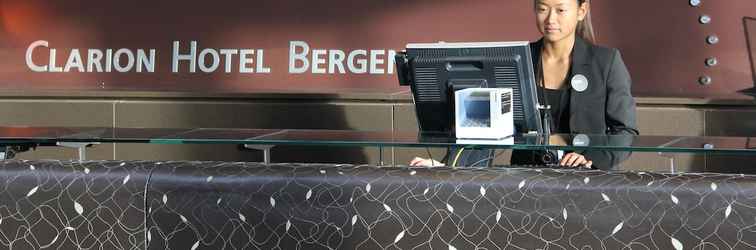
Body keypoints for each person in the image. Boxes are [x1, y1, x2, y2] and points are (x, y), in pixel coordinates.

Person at [410, 0, 638, 170]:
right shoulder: (517, 58)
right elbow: (482, 123)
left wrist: (591, 159)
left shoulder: (606, 62)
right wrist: (447, 167)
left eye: (560, 10)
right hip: (525, 181)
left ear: (582, 10)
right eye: (542, 8)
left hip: (585, 181)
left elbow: (625, 132)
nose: (550, 19)